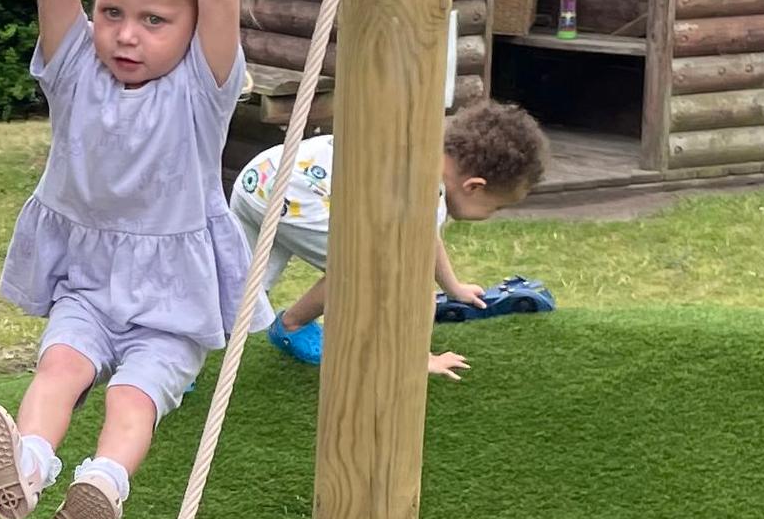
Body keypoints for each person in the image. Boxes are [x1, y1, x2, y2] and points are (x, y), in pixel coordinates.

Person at [0, 0, 249, 519]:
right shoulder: (74, 69)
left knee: (131, 397)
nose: (126, 34)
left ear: (186, 26)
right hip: (87, 279)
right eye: (112, 12)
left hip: (173, 295)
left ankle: (103, 483)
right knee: (58, 365)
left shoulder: (200, 89)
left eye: (154, 20)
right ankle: (25, 468)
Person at [233, 99, 555, 380]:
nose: (491, 215)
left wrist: (453, 286)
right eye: (496, 206)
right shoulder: (429, 192)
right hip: (299, 198)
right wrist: (418, 359)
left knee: (238, 289)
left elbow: (427, 237)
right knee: (370, 267)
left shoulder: (422, 153)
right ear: (474, 186)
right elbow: (416, 285)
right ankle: (291, 325)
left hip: (262, 177)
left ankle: (188, 356)